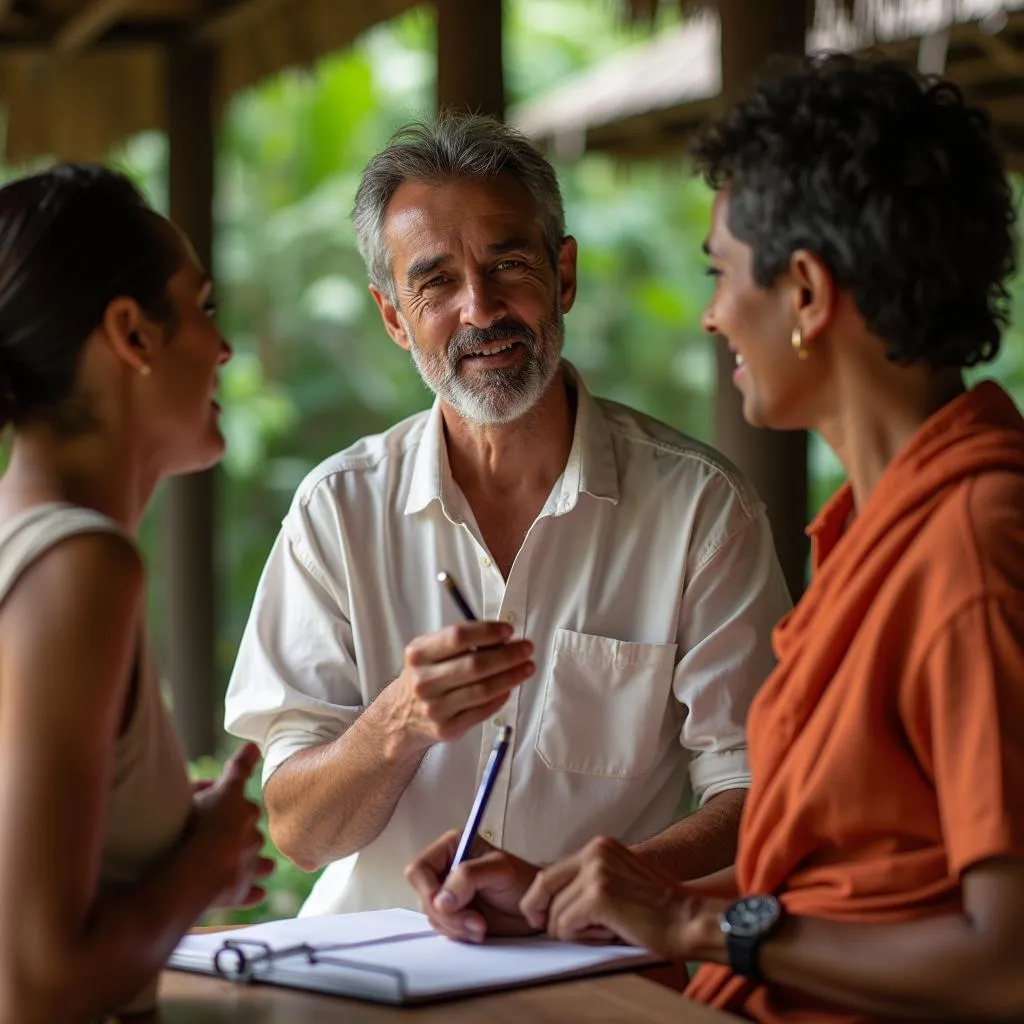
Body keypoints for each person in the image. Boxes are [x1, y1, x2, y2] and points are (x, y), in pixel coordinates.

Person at [404, 54, 1024, 1023]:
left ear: (807, 295)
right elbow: (845, 887)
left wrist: (701, 932)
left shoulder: (973, 550)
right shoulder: (875, 534)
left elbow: (1005, 967)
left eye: (722, 273)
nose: (711, 313)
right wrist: (601, 901)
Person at [224, 113, 793, 917]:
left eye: (508, 263)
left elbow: (755, 793)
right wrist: (399, 722)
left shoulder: (700, 508)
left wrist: (592, 891)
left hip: (596, 979)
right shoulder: (337, 512)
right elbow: (299, 833)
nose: (481, 309)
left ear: (563, 275)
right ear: (393, 317)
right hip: (375, 983)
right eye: (435, 283)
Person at [0, 165, 274, 1024]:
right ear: (134, 333)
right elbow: (36, 991)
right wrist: (205, 862)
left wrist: (165, 849)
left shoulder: (29, 544)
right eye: (203, 308)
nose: (223, 349)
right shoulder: (82, 566)